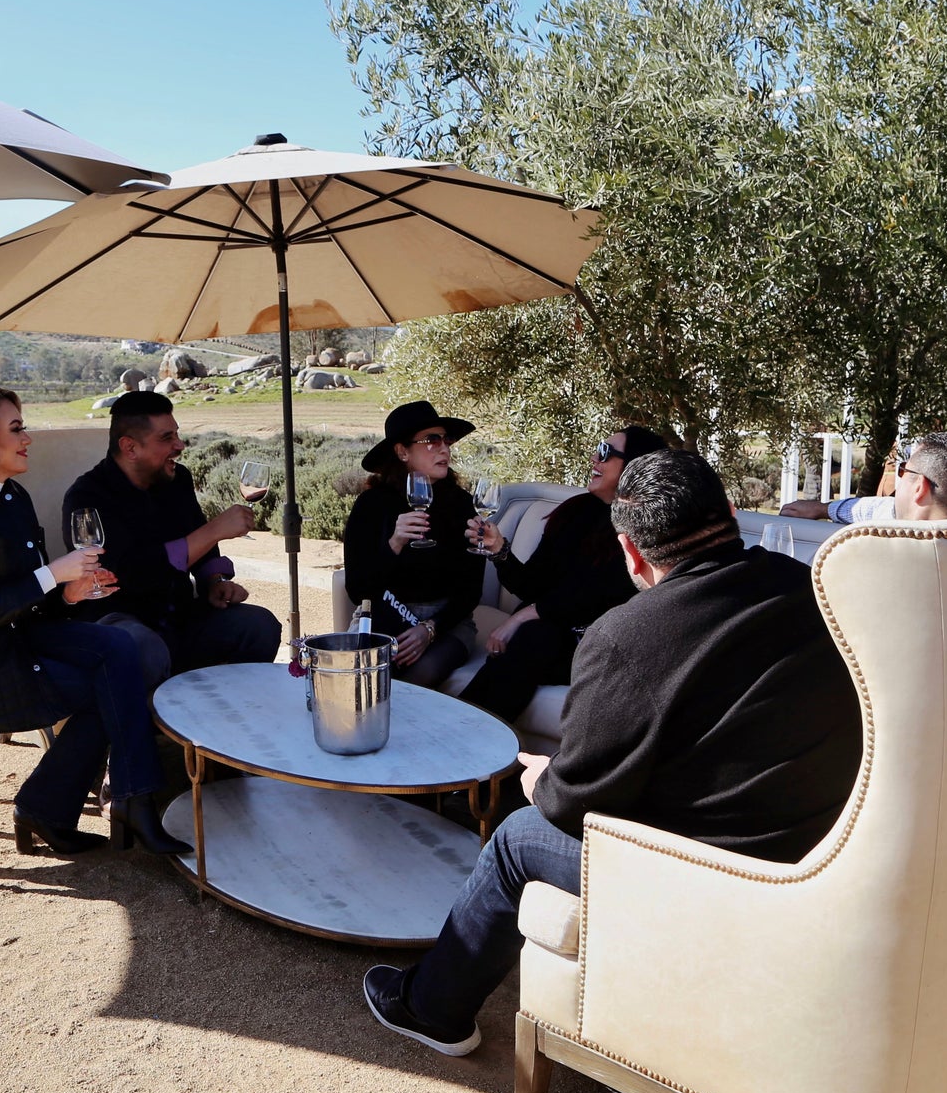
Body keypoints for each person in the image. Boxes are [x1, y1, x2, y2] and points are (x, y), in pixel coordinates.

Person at [362, 449, 863, 1055]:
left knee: (519, 837)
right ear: (731, 513)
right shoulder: (822, 594)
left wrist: (541, 780)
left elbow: (571, 804)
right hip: (821, 847)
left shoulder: (624, 637)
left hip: (708, 868)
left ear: (631, 552)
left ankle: (432, 1010)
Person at [0, 385, 190, 857]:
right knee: (115, 678)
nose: (27, 438)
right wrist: (52, 574)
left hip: (10, 642)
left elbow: (28, 602)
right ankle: (79, 805)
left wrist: (68, 593)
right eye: (16, 429)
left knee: (120, 650)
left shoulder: (12, 496)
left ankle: (115, 799)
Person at [62, 390, 280, 690]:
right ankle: (149, 733)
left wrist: (213, 581)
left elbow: (200, 545)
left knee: (258, 626)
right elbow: (129, 574)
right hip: (118, 619)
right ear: (130, 447)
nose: (180, 445)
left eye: (177, 434)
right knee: (141, 648)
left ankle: (225, 720)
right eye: (166, 438)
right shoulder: (88, 497)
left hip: (180, 616)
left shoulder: (178, 480)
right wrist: (214, 530)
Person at [456, 425, 668, 722]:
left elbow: (597, 596)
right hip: (545, 633)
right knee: (534, 639)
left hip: (595, 645)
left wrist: (521, 617)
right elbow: (532, 584)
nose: (595, 457)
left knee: (534, 637)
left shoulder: (646, 527)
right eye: (598, 448)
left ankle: (463, 731)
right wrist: (500, 549)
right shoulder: (576, 512)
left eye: (605, 453)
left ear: (633, 466)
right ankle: (467, 731)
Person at [341, 400, 486, 688]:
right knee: (361, 678)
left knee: (420, 675)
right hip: (382, 614)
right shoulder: (372, 505)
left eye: (446, 440)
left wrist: (429, 630)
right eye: (431, 440)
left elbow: (471, 590)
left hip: (447, 622)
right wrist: (394, 544)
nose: (444, 448)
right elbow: (358, 591)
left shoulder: (460, 504)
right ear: (402, 451)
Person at [779, 432, 947, 523]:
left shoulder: (878, 552)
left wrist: (821, 510)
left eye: (904, 471)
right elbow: (877, 509)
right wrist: (822, 508)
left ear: (920, 488)